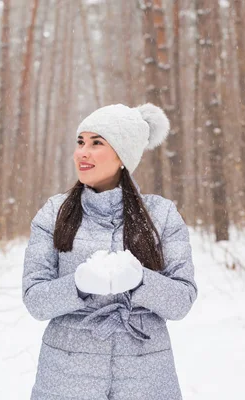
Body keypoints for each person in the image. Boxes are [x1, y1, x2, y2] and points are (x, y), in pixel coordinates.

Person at [22, 103, 198, 400]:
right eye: (80, 142)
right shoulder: (53, 213)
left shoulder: (162, 215)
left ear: (122, 155)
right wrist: (78, 285)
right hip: (66, 377)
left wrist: (142, 281)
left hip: (145, 377)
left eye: (96, 143)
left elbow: (182, 300)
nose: (82, 152)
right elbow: (35, 300)